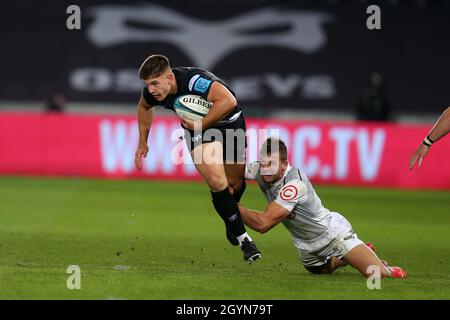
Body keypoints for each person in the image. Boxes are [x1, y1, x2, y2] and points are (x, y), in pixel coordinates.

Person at [134, 54, 261, 262]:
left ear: (170, 78)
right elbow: (143, 107)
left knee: (234, 183)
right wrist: (142, 142)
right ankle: (244, 240)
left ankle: (232, 218)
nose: (151, 90)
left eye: (155, 83)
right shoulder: (152, 93)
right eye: (148, 85)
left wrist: (201, 124)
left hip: (229, 123)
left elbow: (229, 101)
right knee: (216, 181)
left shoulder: (194, 81)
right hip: (198, 132)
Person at [237, 138, 407, 278]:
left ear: (283, 164)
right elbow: (229, 171)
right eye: (263, 163)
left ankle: (386, 268)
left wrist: (229, 205)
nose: (265, 169)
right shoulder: (259, 169)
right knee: (324, 269)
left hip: (332, 234)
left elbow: (263, 223)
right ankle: (350, 257)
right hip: (305, 243)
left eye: (271, 164)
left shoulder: (295, 184)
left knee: (376, 275)